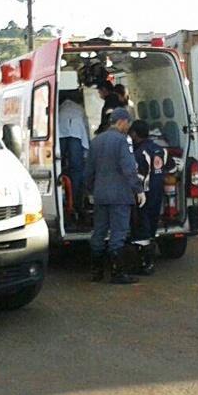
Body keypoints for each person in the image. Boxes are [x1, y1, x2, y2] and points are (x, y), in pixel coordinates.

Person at [85, 108, 144, 284]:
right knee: (118, 233)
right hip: (120, 196)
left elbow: (88, 172)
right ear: (122, 121)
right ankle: (118, 273)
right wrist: (138, 189)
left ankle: (96, 272)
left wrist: (90, 191)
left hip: (100, 195)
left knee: (99, 232)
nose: (129, 127)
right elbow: (129, 169)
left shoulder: (96, 141)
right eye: (128, 123)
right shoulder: (122, 141)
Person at [128, 119, 177, 275]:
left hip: (143, 195)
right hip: (157, 193)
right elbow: (173, 168)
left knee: (141, 227)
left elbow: (137, 178)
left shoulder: (139, 154)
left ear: (134, 134)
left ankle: (144, 263)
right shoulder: (161, 150)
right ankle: (149, 261)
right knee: (152, 224)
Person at [57, 91, 90, 218]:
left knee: (58, 166)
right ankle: (77, 201)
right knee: (77, 168)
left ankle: (64, 196)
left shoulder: (60, 108)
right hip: (76, 135)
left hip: (61, 135)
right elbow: (85, 128)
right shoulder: (79, 109)